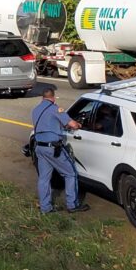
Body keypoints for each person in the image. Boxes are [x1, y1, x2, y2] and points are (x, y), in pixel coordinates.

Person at [31, 86, 89, 214]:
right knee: (70, 173)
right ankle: (72, 205)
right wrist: (78, 125)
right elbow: (72, 124)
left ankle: (45, 208)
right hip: (53, 148)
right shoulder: (55, 109)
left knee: (44, 178)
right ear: (53, 97)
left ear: (43, 97)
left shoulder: (35, 110)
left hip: (39, 148)